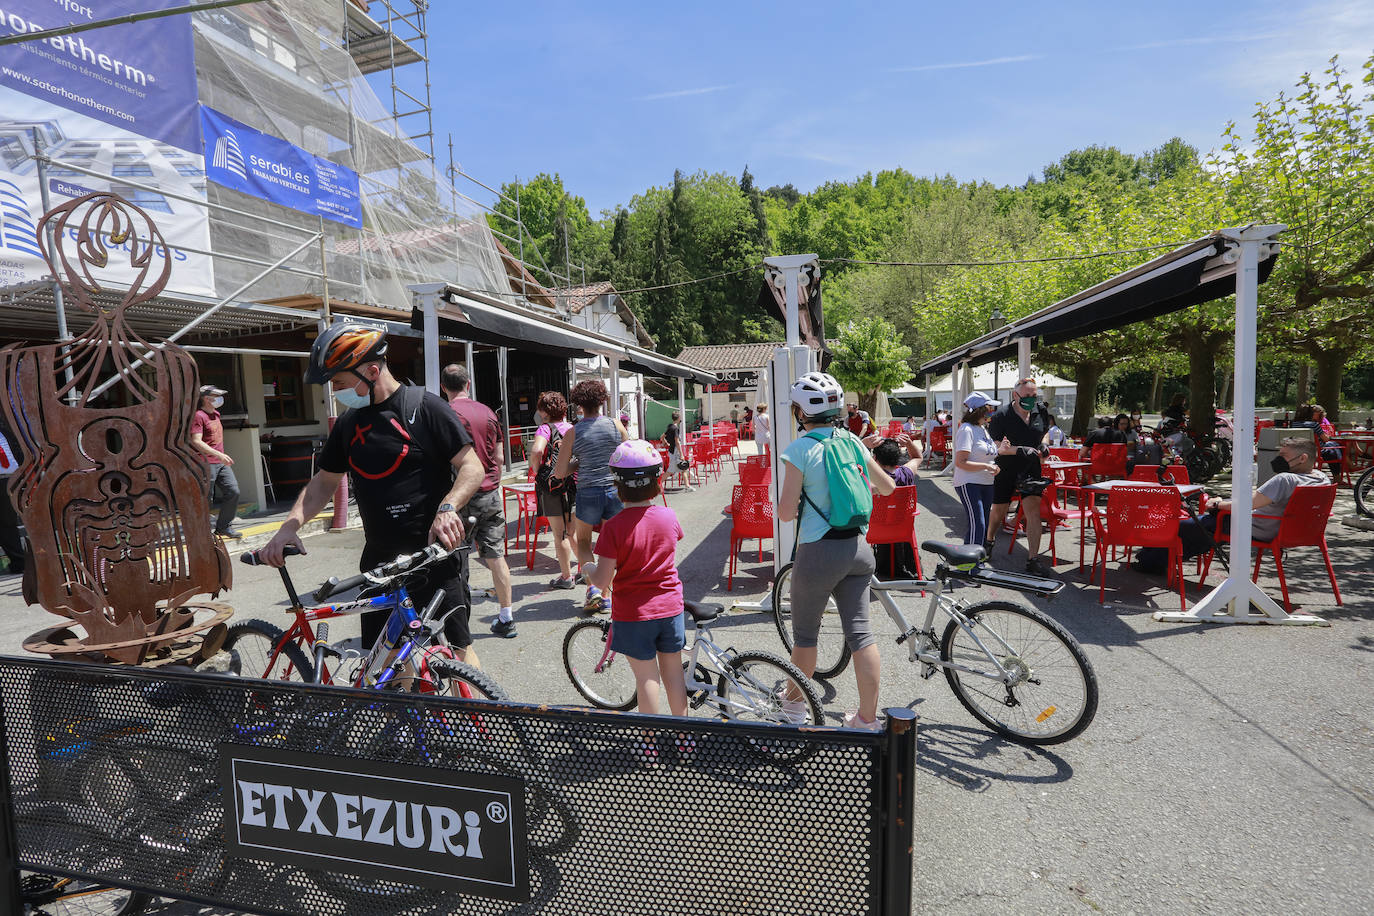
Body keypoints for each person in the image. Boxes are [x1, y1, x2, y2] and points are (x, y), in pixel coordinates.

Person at [259, 323, 485, 664]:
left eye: (338, 381)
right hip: (379, 565)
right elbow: (323, 482)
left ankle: (474, 718)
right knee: (391, 661)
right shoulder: (349, 424)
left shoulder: (426, 408)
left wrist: (448, 507)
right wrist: (289, 526)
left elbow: (472, 466)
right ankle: (410, 717)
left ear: (372, 370)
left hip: (434, 559)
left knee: (458, 651)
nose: (334, 390)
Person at [778, 371, 896, 732]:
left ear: (801, 412)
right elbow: (888, 486)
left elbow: (785, 512)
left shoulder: (800, 449)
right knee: (861, 636)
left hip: (818, 554)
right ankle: (866, 719)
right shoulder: (853, 442)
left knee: (806, 637)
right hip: (859, 550)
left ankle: (794, 710)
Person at [585, 440, 688, 724]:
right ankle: (685, 739)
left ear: (617, 486)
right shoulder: (669, 516)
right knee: (674, 675)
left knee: (647, 678)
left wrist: (587, 568)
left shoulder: (613, 528)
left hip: (634, 614)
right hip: (670, 608)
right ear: (658, 482)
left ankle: (649, 744)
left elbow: (602, 580)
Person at [1158, 438, 1329, 566]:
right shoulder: (1323, 479)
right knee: (1206, 532)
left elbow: (1247, 505)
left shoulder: (1285, 479)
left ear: (1302, 458)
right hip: (1293, 532)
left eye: (1283, 455)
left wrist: (1217, 503)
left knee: (1187, 525)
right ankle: (1160, 562)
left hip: (1257, 528)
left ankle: (1151, 561)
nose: (1279, 459)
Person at [441, 364, 517, 639]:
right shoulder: (487, 412)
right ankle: (506, 616)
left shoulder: (445, 414)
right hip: (489, 494)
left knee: (456, 558)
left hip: (458, 497)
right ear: (468, 384)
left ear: (443, 387)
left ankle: (459, 626)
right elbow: (498, 458)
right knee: (495, 555)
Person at [552, 379, 628, 614]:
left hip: (588, 492)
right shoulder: (616, 425)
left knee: (584, 542)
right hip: (615, 492)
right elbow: (628, 456)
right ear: (602, 401)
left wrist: (579, 463)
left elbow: (560, 472)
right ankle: (605, 596)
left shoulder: (573, 432)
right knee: (611, 547)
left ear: (579, 405)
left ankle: (593, 589)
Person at [986, 377, 1056, 575]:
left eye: (1034, 395)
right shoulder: (1001, 415)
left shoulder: (1040, 410)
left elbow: (1045, 432)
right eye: (1027, 396)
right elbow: (996, 447)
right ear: (1015, 395)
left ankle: (1033, 558)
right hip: (1006, 467)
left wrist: (1044, 444)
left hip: (1031, 467)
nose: (1032, 399)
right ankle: (989, 541)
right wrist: (1018, 450)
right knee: (999, 510)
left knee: (1033, 512)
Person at [528, 391, 577, 589]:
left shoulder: (545, 429)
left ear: (544, 411)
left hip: (552, 485)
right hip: (572, 483)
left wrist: (536, 468)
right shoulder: (572, 428)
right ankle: (582, 570)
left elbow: (537, 450)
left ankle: (566, 577)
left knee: (560, 534)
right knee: (573, 533)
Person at [953, 392, 1011, 551]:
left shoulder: (982, 429)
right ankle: (969, 567)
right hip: (969, 482)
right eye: (989, 408)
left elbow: (984, 455)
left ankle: (974, 562)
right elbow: (960, 462)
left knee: (982, 524)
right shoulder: (967, 429)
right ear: (980, 410)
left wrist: (1000, 450)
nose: (992, 411)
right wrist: (987, 467)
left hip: (986, 483)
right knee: (978, 524)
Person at [189, 384, 241, 539]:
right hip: (205, 462)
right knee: (205, 498)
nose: (220, 399)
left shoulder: (216, 414)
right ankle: (202, 532)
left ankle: (223, 527)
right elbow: (196, 441)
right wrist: (218, 454)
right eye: (216, 396)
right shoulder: (199, 416)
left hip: (219, 462)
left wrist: (220, 456)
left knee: (233, 491)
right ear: (206, 398)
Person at [0, 418, 24, 577]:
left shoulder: (5, 430)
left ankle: (19, 562)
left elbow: (18, 450)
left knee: (7, 523)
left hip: (10, 480)